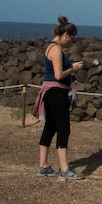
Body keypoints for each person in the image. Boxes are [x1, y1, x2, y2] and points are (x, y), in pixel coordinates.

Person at [35, 16, 85, 179]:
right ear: (65, 35)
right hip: (57, 92)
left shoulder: (49, 47)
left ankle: (43, 165)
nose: (71, 42)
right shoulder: (56, 49)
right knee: (63, 128)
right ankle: (64, 168)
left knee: (50, 127)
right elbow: (58, 75)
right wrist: (73, 69)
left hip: (49, 92)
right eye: (71, 38)